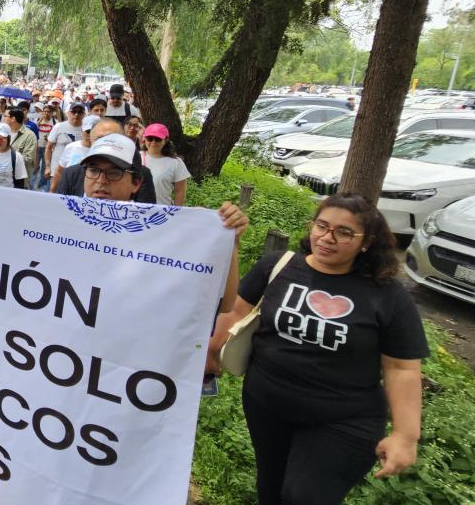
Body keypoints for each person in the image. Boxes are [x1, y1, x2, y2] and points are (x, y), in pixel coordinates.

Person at [209, 193, 427, 504]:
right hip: (266, 406)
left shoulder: (388, 295)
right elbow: (236, 312)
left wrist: (406, 436)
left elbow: (402, 368)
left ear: (367, 242)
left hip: (343, 419)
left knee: (303, 496)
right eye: (321, 226)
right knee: (270, 487)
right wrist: (210, 353)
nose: (327, 237)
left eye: (344, 232)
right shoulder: (278, 265)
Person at [55, 117, 158, 203]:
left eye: (114, 173)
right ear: (91, 140)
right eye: (93, 170)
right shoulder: (72, 173)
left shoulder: (141, 173)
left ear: (135, 183)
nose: (101, 180)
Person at [141, 123, 190, 206]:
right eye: (149, 138)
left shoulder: (176, 163)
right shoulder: (135, 157)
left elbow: (180, 192)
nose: (153, 142)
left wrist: (176, 213)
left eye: (158, 139)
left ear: (166, 140)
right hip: (136, 211)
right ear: (144, 138)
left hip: (162, 213)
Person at [46, 104, 84, 192]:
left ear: (83, 114)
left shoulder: (86, 129)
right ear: (68, 113)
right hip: (58, 171)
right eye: (73, 111)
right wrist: (47, 166)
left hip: (77, 174)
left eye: (79, 112)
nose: (76, 114)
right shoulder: (59, 127)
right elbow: (48, 147)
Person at [5, 108, 37, 183]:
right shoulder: (2, 132)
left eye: (5, 116)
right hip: (2, 178)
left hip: (19, 180)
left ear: (13, 119)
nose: (3, 118)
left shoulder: (29, 135)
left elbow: (28, 159)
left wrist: (7, 151)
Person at [34, 105, 56, 190]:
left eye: (48, 112)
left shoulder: (54, 122)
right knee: (35, 166)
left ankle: (41, 184)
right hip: (37, 146)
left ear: (51, 113)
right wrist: (40, 120)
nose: (46, 113)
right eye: (45, 111)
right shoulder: (37, 120)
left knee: (45, 166)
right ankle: (32, 183)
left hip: (48, 148)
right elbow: (34, 129)